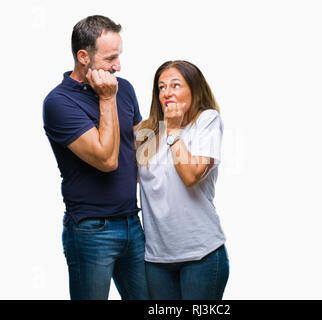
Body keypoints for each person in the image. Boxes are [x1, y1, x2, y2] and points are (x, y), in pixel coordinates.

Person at [42, 15, 149, 300]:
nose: (118, 65)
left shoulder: (123, 87)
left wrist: (176, 124)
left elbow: (143, 144)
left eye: (119, 56)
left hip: (132, 222)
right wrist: (106, 99)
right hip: (91, 230)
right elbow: (106, 159)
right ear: (83, 56)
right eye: (110, 58)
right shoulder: (59, 103)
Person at [135, 60, 229, 299]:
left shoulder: (207, 121)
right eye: (162, 87)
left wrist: (174, 131)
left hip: (201, 255)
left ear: (194, 89)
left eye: (175, 85)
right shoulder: (148, 132)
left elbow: (190, 176)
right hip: (156, 258)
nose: (167, 92)